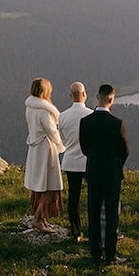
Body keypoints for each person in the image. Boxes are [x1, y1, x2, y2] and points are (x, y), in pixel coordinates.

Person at [78, 83, 130, 267]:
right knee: (111, 215)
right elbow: (125, 150)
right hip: (112, 173)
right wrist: (116, 164)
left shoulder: (86, 122)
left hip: (93, 171)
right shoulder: (117, 124)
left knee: (93, 212)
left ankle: (95, 253)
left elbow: (84, 147)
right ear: (111, 99)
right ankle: (111, 255)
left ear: (97, 97)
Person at [23, 77, 64, 234]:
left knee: (39, 186)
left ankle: (40, 218)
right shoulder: (44, 111)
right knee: (47, 187)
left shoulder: (30, 107)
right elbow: (53, 132)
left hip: (35, 149)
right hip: (46, 151)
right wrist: (61, 145)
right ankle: (38, 219)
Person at [56, 81, 92, 242]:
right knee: (93, 197)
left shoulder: (62, 116)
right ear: (84, 94)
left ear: (71, 96)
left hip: (70, 161)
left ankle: (76, 231)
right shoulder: (91, 115)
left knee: (73, 198)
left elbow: (61, 141)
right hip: (89, 161)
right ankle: (93, 229)